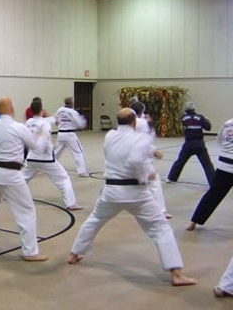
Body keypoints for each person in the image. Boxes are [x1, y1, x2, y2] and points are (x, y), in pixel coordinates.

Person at [68, 108, 197, 286]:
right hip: (136, 194)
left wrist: (151, 151)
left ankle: (74, 253)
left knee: (94, 220)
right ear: (134, 122)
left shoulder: (110, 136)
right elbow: (136, 158)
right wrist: (146, 173)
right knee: (161, 228)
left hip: (111, 191)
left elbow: (127, 146)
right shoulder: (140, 138)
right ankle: (176, 274)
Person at [0, 97, 49, 262]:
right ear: (11, 110)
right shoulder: (18, 127)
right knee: (26, 211)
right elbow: (36, 147)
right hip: (11, 174)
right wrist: (44, 135)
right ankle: (30, 251)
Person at [23, 100, 82, 211]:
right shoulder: (44, 124)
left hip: (31, 158)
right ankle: (71, 203)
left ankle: (7, 195)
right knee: (63, 178)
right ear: (42, 110)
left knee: (22, 179)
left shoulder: (29, 122)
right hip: (45, 159)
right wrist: (50, 147)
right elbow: (44, 138)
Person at [186, 117, 233, 231]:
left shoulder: (228, 123)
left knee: (212, 195)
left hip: (224, 164)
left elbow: (220, 141)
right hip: (227, 164)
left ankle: (194, 222)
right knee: (213, 195)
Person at [130, 101, 172, 219]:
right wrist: (154, 151)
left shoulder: (127, 122)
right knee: (154, 182)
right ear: (141, 111)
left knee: (129, 180)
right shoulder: (141, 123)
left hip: (126, 157)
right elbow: (144, 141)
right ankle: (161, 211)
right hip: (141, 157)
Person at [166, 101, 215, 185]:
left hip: (188, 143)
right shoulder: (200, 117)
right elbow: (208, 128)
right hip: (199, 143)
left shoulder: (183, 118)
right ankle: (213, 182)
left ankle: (171, 178)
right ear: (194, 108)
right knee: (207, 164)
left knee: (180, 161)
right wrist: (207, 120)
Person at [54, 97, 88, 177]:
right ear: (72, 103)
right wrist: (83, 121)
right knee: (78, 152)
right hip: (70, 134)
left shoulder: (59, 110)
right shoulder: (73, 112)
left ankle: (47, 165)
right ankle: (81, 171)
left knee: (56, 152)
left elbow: (56, 121)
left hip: (61, 133)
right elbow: (80, 124)